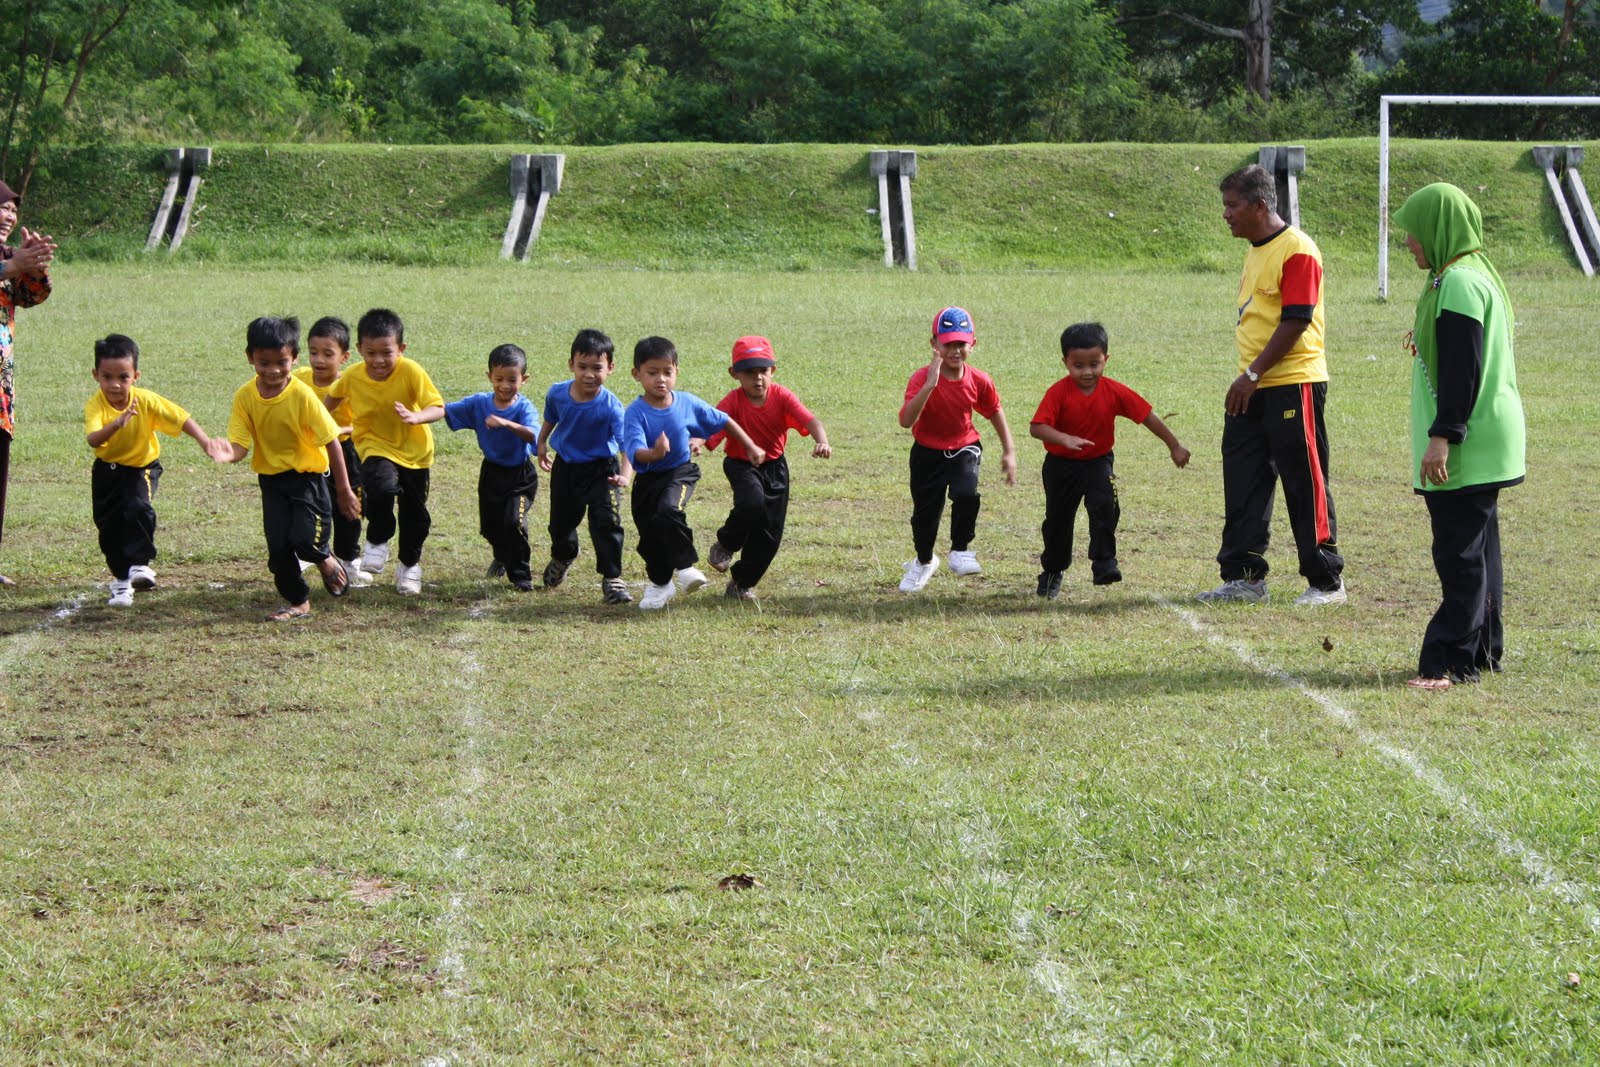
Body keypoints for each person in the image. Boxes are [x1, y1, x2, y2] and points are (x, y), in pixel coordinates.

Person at [1393, 183, 1525, 691]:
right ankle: (1484, 651)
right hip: (1491, 437)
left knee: (1459, 553)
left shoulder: (1459, 284)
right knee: (1479, 547)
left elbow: (1461, 368)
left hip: (1468, 443)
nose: (1409, 242)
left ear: (1437, 228)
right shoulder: (1473, 273)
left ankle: (1450, 660)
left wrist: (1443, 435)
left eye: (1413, 230)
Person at [1199, 164, 1346, 606]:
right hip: (1254, 384)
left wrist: (1253, 374)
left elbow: (1297, 319)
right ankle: (1245, 577)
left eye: (1232, 205)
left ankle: (1326, 580)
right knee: (1243, 476)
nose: (1225, 214)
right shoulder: (1255, 248)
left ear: (1260, 205)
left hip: (1291, 383)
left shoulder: (1297, 249)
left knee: (1304, 480)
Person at [211, 317, 361, 621]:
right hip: (272, 482)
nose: (273, 370)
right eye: (263, 362)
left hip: (308, 479)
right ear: (250, 357)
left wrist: (344, 491)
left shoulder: (302, 395)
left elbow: (332, 441)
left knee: (306, 542)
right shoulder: (245, 397)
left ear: (294, 358)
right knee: (279, 550)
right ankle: (298, 601)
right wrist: (228, 453)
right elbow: (240, 444)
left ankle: (324, 558)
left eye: (282, 362)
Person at [1030, 322, 1190, 600]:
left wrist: (1174, 445)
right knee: (1058, 521)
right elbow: (1037, 427)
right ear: (1065, 362)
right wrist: (1063, 438)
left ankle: (1104, 563)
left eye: (1095, 364)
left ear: (1106, 360)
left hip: (1097, 462)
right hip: (1061, 466)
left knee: (1106, 505)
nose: (1088, 371)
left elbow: (1147, 416)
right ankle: (1052, 571)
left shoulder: (1114, 391)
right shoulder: (1058, 393)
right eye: (1078, 365)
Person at [622, 335, 762, 611]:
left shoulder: (687, 403)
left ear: (676, 372)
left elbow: (724, 420)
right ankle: (661, 584)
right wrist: (655, 453)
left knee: (669, 509)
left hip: (680, 472)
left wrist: (750, 446)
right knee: (650, 536)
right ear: (636, 374)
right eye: (652, 373)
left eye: (667, 372)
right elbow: (635, 451)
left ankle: (686, 567)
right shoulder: (635, 413)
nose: (660, 379)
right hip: (648, 480)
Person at [83, 334, 219, 607]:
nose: (115, 384)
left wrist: (206, 441)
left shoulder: (145, 400)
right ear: (96, 375)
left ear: (136, 375)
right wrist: (117, 424)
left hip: (140, 468)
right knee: (109, 528)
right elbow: (94, 439)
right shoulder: (95, 405)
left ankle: (140, 564)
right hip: (106, 472)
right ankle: (121, 582)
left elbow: (180, 418)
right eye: (107, 377)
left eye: (123, 377)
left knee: (138, 507)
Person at [324, 308, 444, 595]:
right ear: (359, 349)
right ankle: (377, 540)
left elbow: (437, 407)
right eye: (371, 352)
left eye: (386, 352)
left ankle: (409, 567)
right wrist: (321, 423)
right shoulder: (353, 376)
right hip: (374, 445)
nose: (378, 360)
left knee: (415, 516)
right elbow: (333, 396)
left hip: (415, 454)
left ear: (400, 349)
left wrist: (418, 417)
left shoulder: (411, 371)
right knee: (380, 487)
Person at [702, 335, 832, 601]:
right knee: (752, 502)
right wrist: (696, 441)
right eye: (749, 373)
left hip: (775, 468)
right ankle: (726, 543)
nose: (757, 378)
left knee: (770, 535)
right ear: (734, 374)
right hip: (741, 464)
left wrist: (823, 441)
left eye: (763, 371)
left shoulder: (782, 396)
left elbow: (811, 420)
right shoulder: (733, 401)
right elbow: (711, 428)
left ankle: (741, 584)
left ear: (772, 370)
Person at [897, 306, 1016, 593]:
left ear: (972, 344)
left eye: (961, 343)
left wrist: (1008, 450)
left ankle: (960, 549)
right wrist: (929, 385)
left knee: (966, 493)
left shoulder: (979, 380)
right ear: (934, 345)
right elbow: (905, 421)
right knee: (925, 518)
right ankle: (925, 561)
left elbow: (994, 411)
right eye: (948, 343)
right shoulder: (921, 378)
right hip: (927, 452)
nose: (955, 350)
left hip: (964, 447)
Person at [429, 344, 543, 591]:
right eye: (499, 378)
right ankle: (502, 555)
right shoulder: (479, 403)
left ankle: (521, 575)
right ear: (489, 376)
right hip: (491, 473)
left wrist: (506, 423)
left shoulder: (524, 408)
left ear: (523, 379)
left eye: (512, 379)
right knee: (490, 528)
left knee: (515, 522)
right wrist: (415, 414)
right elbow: (444, 410)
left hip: (520, 476)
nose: (504, 385)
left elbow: (533, 434)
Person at [537, 328, 634, 604]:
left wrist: (625, 476)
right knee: (560, 524)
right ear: (571, 365)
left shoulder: (612, 406)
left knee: (607, 521)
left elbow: (626, 445)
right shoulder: (557, 394)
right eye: (582, 367)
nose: (589, 374)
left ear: (611, 368)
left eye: (597, 368)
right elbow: (550, 419)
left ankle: (612, 578)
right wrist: (542, 443)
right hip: (566, 468)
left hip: (604, 470)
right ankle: (563, 555)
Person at [0, 178, 57, 587]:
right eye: (2, 207)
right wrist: (11, 266)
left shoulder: (7, 255)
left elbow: (31, 296)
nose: (9, 215)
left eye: (12, 209)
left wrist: (34, 267)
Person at [294, 316, 371, 586]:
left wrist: (338, 429)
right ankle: (310, 552)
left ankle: (349, 561)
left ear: (345, 356)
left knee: (348, 507)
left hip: (346, 451)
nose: (319, 360)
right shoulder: (300, 378)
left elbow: (362, 423)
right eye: (314, 352)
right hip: (310, 453)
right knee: (312, 503)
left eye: (328, 354)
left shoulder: (349, 383)